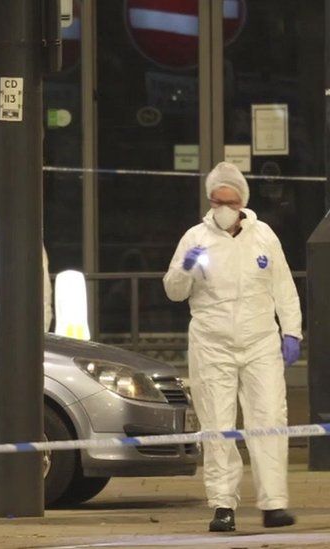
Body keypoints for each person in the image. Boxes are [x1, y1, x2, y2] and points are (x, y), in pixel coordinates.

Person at [163, 162, 301, 532]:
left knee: (269, 420)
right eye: (216, 200)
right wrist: (185, 269)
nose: (222, 208)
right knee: (217, 425)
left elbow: (284, 287)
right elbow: (174, 292)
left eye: (229, 201)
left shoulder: (264, 237)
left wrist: (292, 331)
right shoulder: (195, 239)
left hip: (260, 343)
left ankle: (274, 504)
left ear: (242, 201)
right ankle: (223, 505)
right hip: (212, 344)